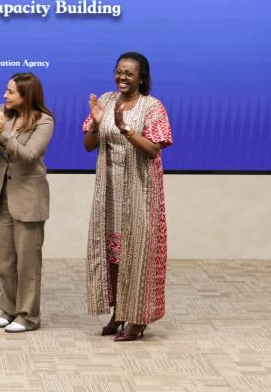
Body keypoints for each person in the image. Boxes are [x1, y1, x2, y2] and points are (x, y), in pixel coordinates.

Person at [82, 52, 173, 342]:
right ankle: (119, 311)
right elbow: (88, 145)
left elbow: (154, 149)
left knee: (139, 252)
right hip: (110, 189)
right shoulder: (106, 100)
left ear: (141, 78)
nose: (122, 77)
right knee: (113, 254)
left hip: (141, 189)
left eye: (129, 73)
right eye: (118, 71)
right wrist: (97, 123)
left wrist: (125, 129)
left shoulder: (152, 106)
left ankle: (138, 318)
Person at [0, 73, 54, 333]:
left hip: (29, 198)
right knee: (4, 260)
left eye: (11, 92)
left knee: (27, 262)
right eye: (6, 90)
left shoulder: (44, 121)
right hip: (3, 196)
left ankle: (28, 316)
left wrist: (2, 135)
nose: (5, 95)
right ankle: (8, 310)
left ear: (27, 95)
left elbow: (28, 156)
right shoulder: (4, 113)